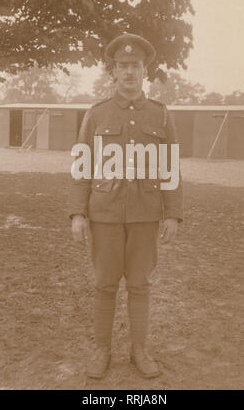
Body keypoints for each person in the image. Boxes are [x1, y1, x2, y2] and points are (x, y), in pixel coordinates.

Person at [68, 33, 184, 379]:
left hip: (146, 216)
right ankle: (102, 350)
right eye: (123, 66)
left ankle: (139, 350)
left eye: (135, 66)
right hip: (104, 215)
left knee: (139, 284)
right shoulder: (96, 114)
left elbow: (170, 166)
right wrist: (78, 212)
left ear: (144, 71)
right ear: (113, 72)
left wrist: (173, 213)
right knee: (104, 284)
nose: (129, 72)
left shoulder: (161, 115)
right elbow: (81, 166)